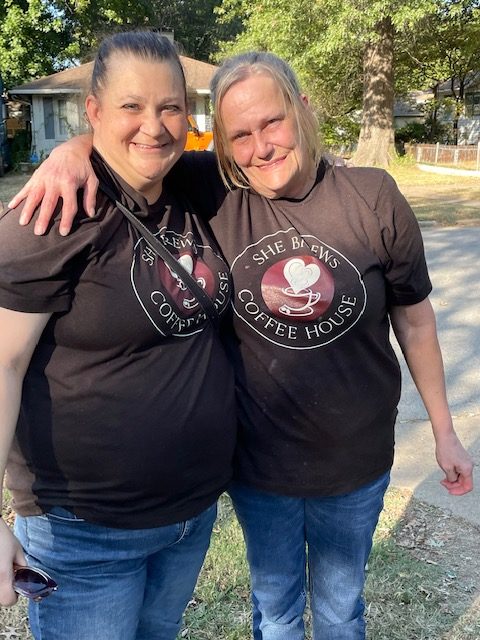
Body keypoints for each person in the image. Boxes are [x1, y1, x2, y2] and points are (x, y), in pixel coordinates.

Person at [11, 51, 474, 640]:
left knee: (341, 612)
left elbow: (416, 321)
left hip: (356, 461)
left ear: (303, 110)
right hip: (258, 467)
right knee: (275, 614)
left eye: (272, 122)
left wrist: (444, 430)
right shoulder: (215, 191)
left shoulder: (374, 196)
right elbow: (130, 151)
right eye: (241, 135)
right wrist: (69, 152)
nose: (262, 147)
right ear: (225, 147)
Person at [0, 31, 237, 640]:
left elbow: (270, 151)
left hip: (191, 515)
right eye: (131, 106)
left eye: (170, 107)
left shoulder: (192, 185)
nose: (153, 126)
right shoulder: (50, 217)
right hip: (83, 530)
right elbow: (2, 364)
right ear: (95, 111)